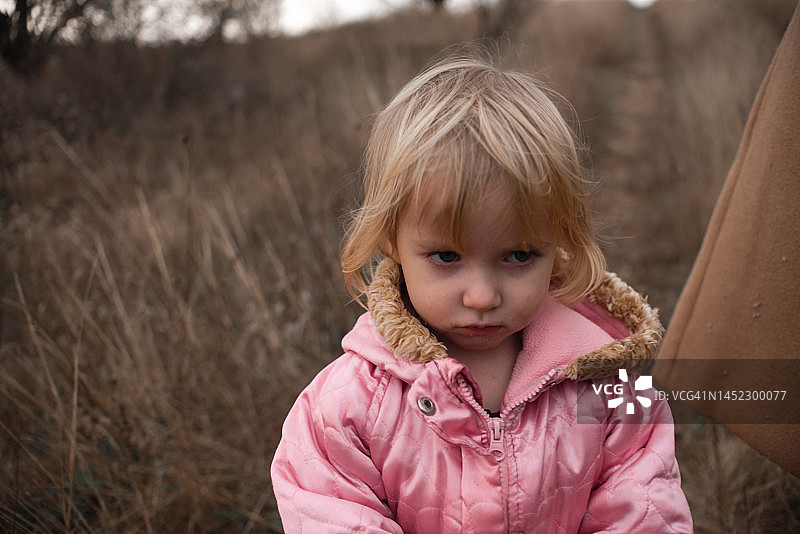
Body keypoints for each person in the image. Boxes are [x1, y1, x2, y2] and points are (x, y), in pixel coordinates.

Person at [270, 55, 692, 533]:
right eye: (447, 258)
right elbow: (329, 513)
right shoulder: (347, 405)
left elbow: (646, 513)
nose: (482, 296)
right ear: (391, 239)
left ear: (560, 242)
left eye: (518, 256)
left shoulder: (611, 389)